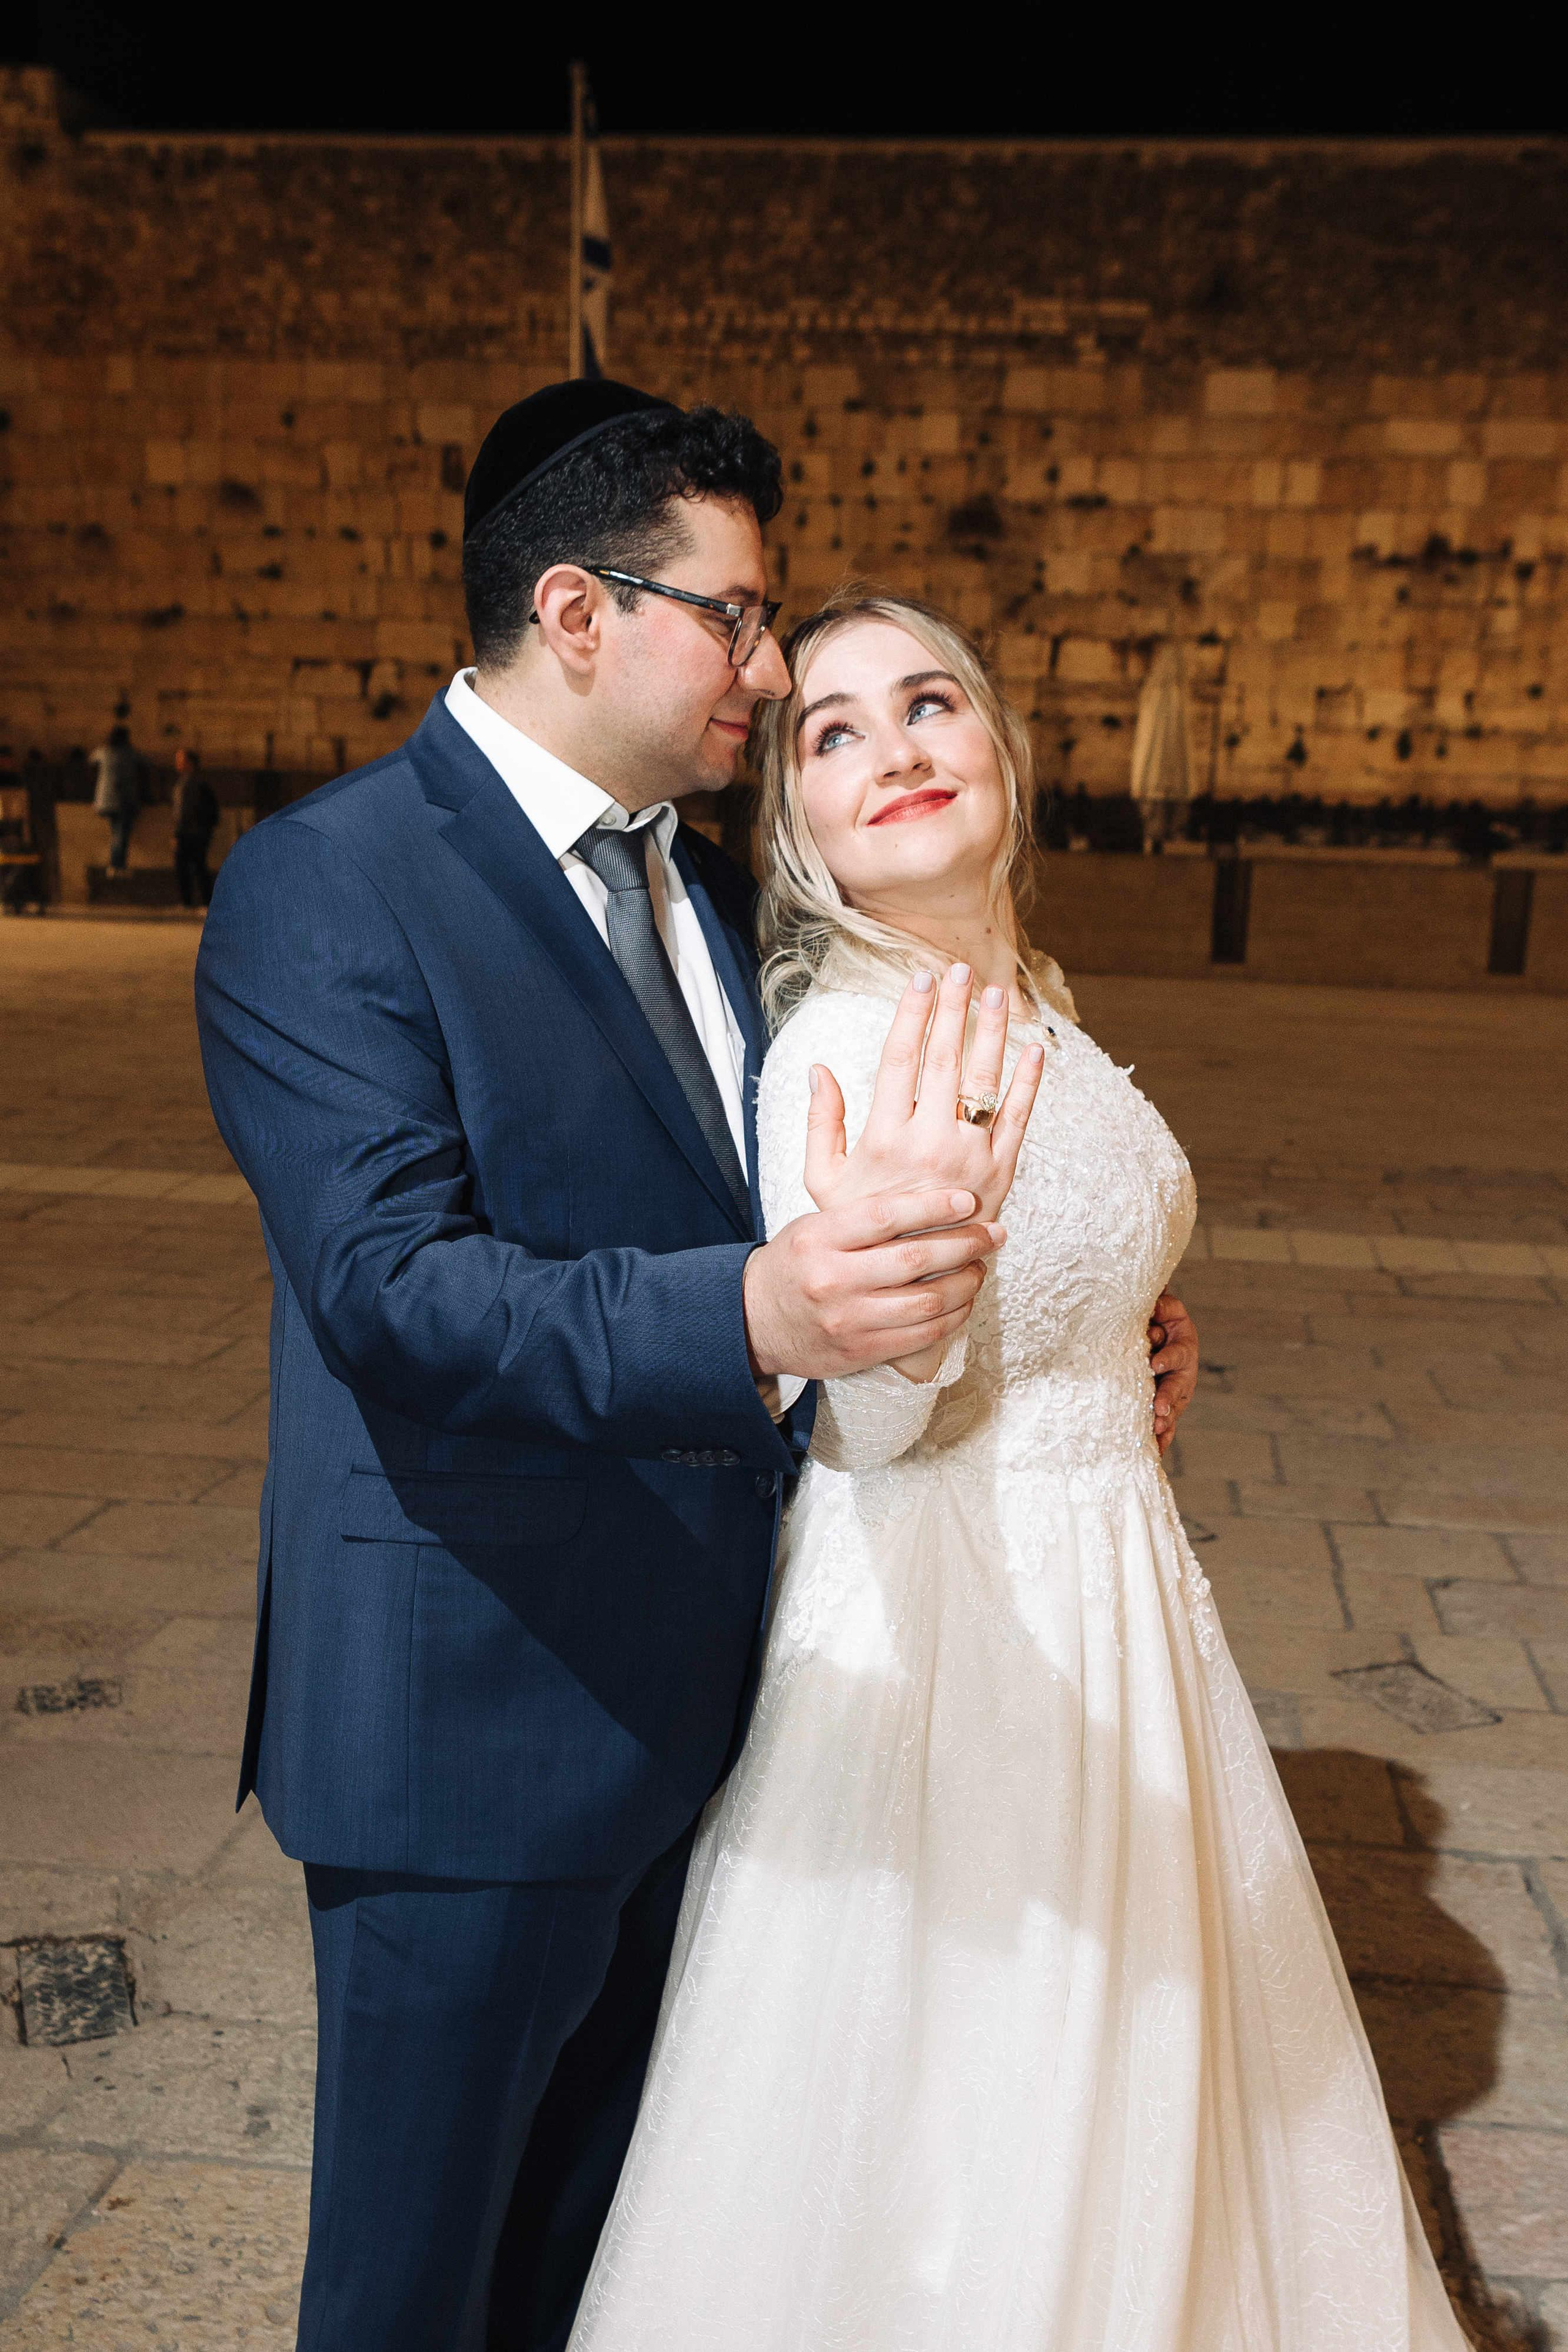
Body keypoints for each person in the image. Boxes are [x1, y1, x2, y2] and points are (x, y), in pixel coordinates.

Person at [194, 383, 1096, 2352]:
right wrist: (753, 1317)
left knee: (592, 2282)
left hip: (718, 1725)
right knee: (410, 2295)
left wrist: (1070, 1323)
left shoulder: (708, 891)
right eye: (737, 617)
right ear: (578, 612)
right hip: (469, 1740)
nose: (768, 670)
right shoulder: (329, 880)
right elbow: (395, 1290)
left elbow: (807, 1198)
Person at [568, 592, 1469, 2352]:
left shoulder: (1025, 1003)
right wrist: (906, 1313)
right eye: (833, 731)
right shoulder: (847, 1049)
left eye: (930, 703)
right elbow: (869, 1422)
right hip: (964, 1639)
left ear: (1000, 747)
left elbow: (1070, 1260)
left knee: (1143, 2096)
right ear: (800, 823)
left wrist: (1135, 1337)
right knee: (981, 2124)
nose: (896, 750)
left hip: (1118, 1601)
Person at [89, 722, 141, 872]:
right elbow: (146, 762)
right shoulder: (129, 754)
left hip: (104, 801)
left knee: (116, 832)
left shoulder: (103, 752)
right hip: (124, 800)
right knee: (121, 834)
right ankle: (117, 865)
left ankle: (115, 865)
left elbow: (91, 760)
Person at [172, 747, 220, 907]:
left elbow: (184, 812)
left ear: (190, 763)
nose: (177, 764)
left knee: (188, 867)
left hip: (190, 833)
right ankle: (204, 901)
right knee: (198, 867)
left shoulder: (189, 785)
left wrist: (178, 833)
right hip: (198, 832)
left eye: (181, 761)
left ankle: (190, 902)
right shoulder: (196, 783)